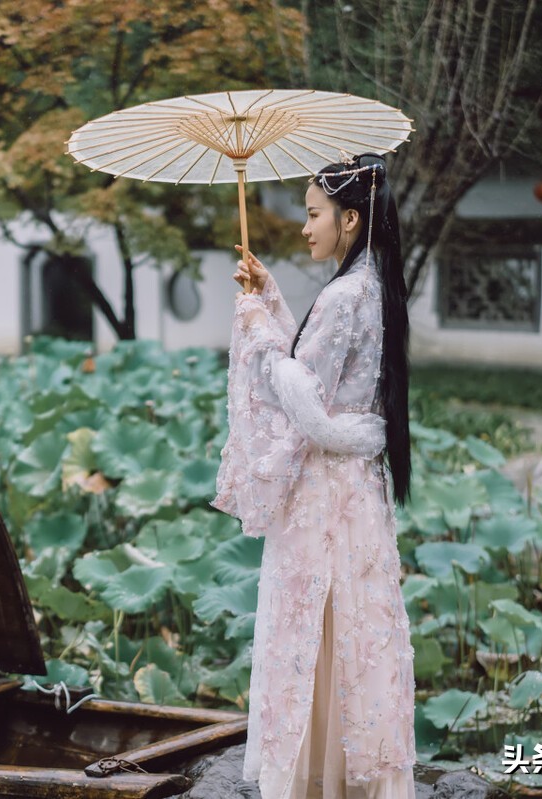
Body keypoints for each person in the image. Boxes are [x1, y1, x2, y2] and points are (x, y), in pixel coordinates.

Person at [212, 153, 416, 799]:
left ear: (349, 218)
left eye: (313, 214)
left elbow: (304, 400)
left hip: (325, 492)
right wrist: (270, 297)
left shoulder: (343, 294)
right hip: (357, 489)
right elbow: (322, 373)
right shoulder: (373, 287)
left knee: (312, 629)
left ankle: (311, 780)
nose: (304, 227)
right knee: (350, 628)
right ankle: (352, 774)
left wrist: (255, 328)